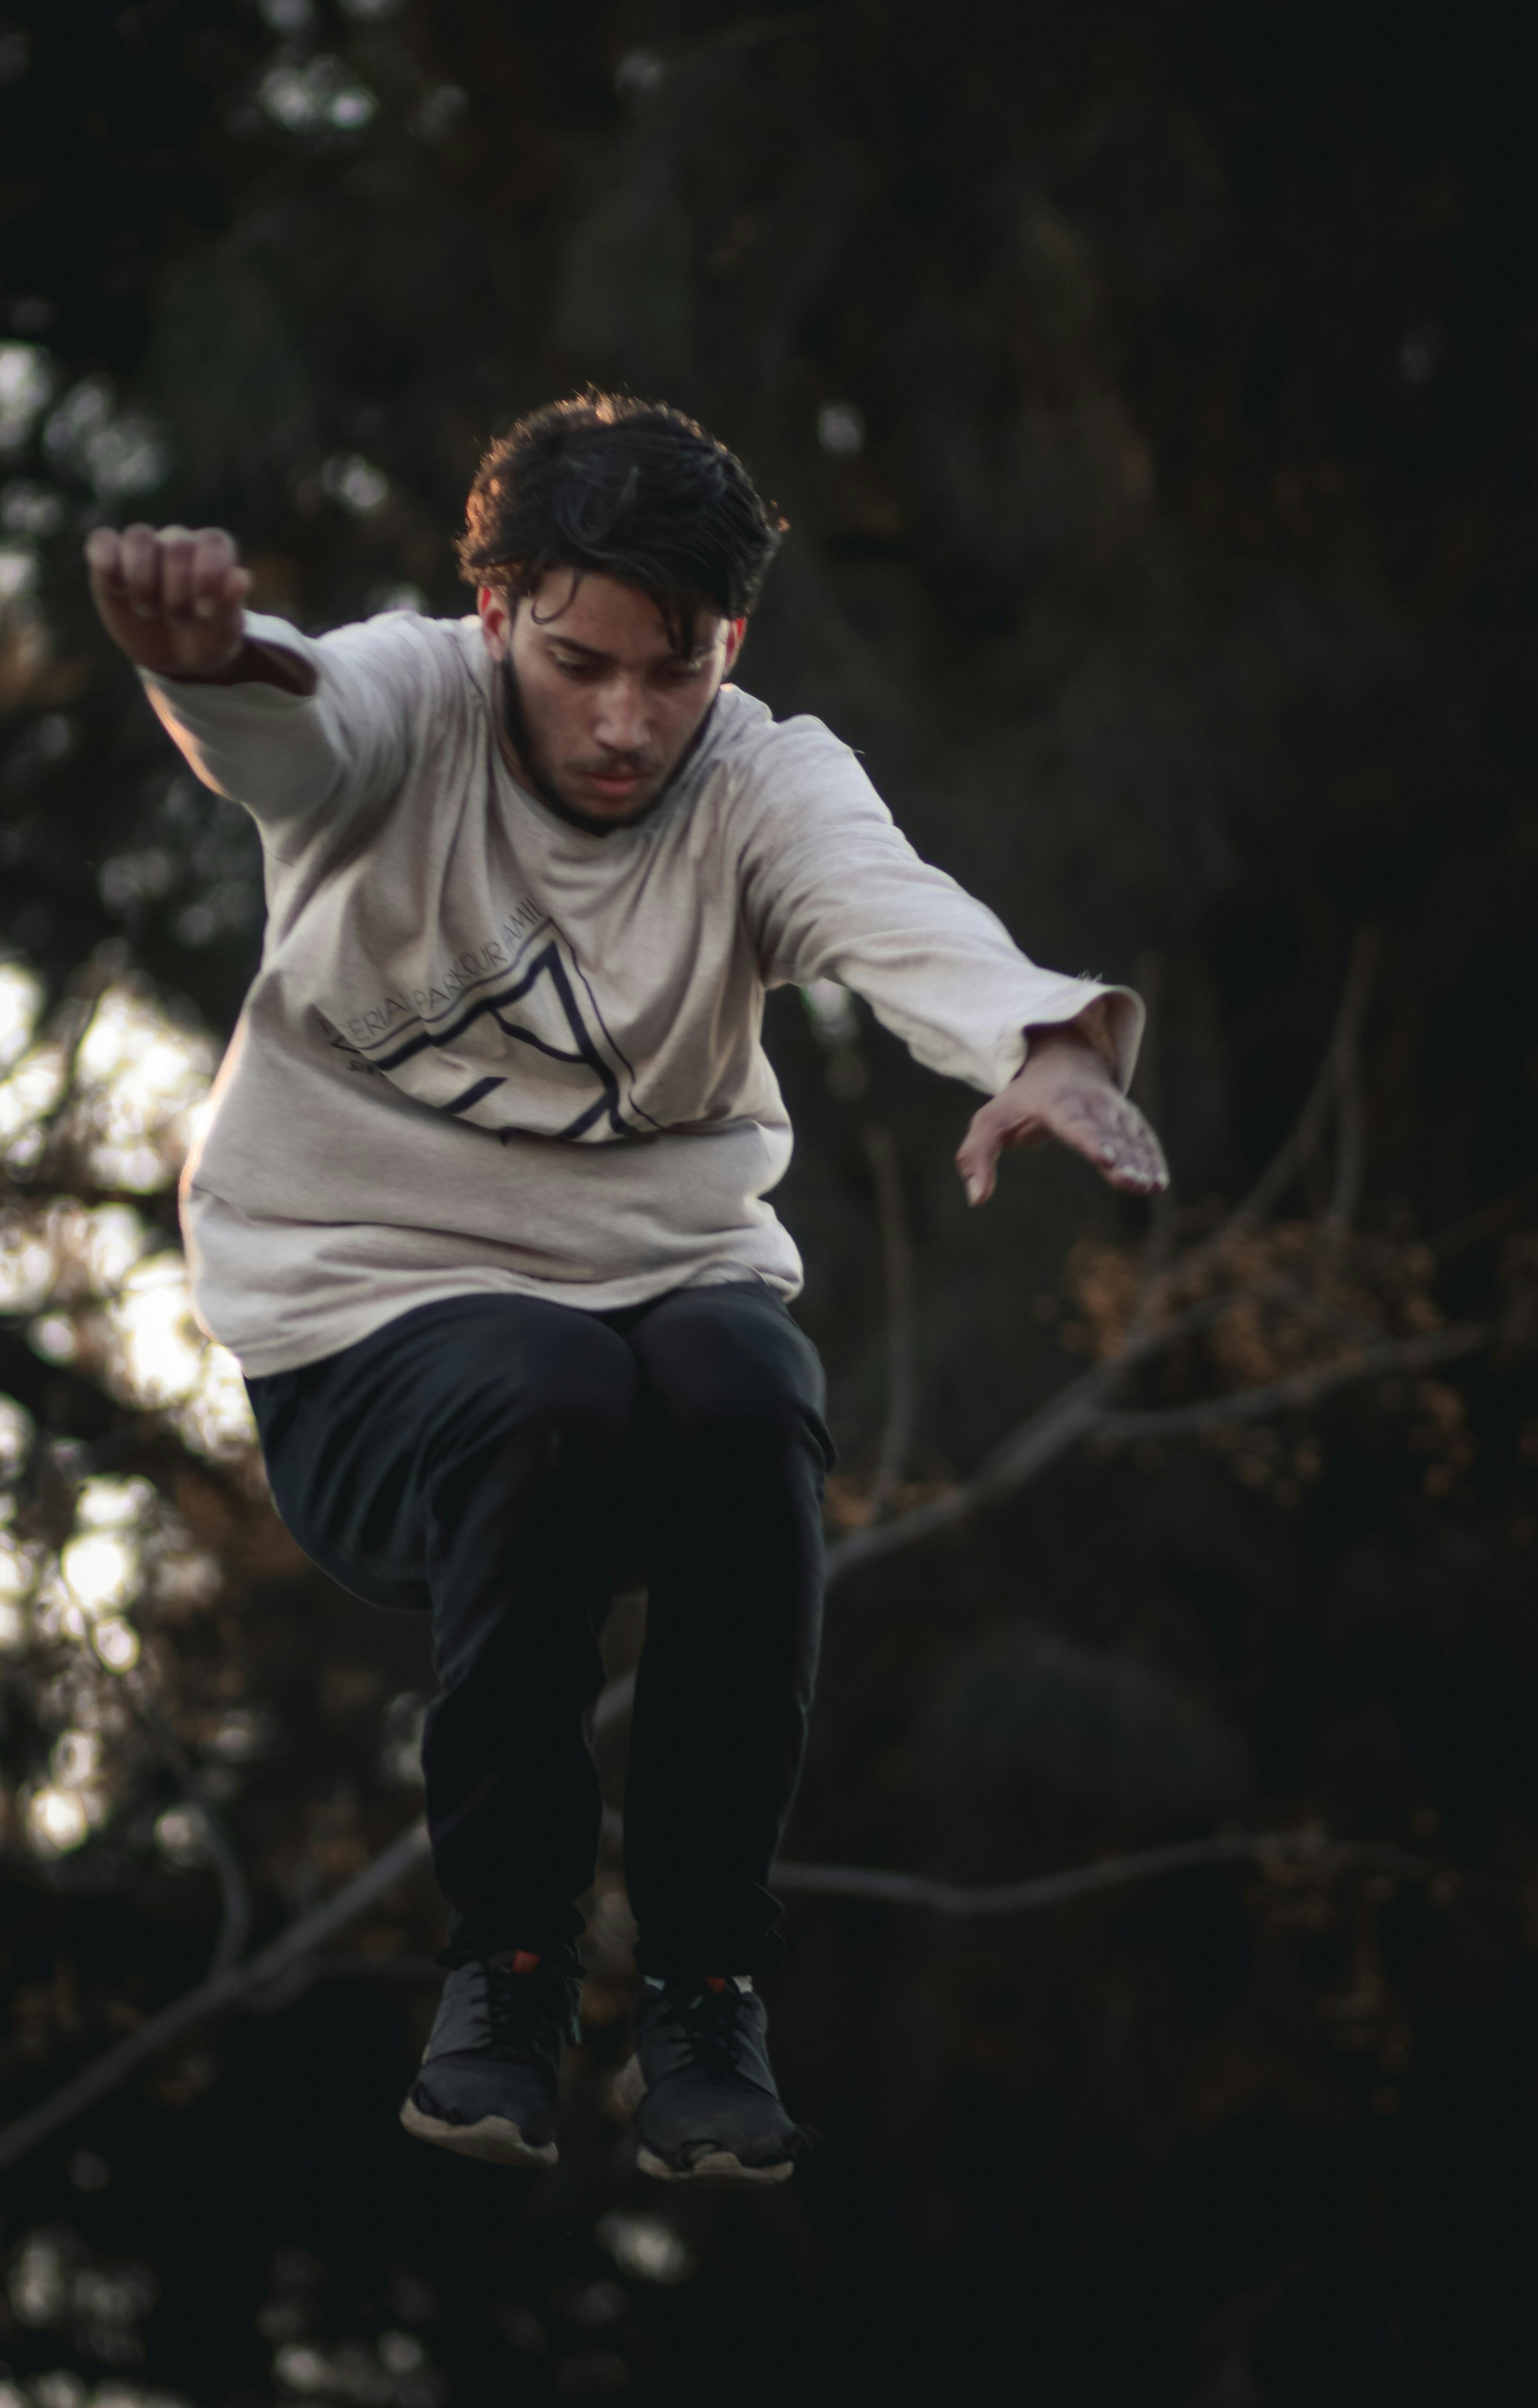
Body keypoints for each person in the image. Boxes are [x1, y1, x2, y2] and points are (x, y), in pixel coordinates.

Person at [84, 393, 1167, 2184]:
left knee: (754, 1387)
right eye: (578, 663)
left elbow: (882, 903)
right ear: (498, 613)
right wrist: (204, 667)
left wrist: (1037, 1046)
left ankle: (706, 1988)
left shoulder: (756, 775)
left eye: (673, 675)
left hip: (666, 1299)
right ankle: (507, 1972)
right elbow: (299, 724)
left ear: (727, 645)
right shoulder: (415, 704)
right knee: (542, 1389)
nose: (622, 723)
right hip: (367, 1336)